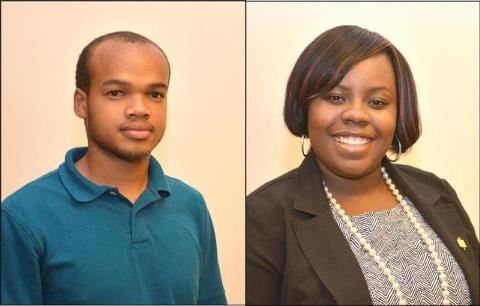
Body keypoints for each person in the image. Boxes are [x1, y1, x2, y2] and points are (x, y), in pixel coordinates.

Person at [246, 25, 479, 305]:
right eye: (335, 98)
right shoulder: (261, 218)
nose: (357, 114)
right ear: (304, 105)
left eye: (377, 102)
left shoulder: (438, 193)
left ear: (399, 112)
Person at [1, 31, 226, 305]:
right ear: (82, 103)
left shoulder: (191, 205)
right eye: (117, 92)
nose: (139, 109)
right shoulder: (22, 217)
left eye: (155, 94)